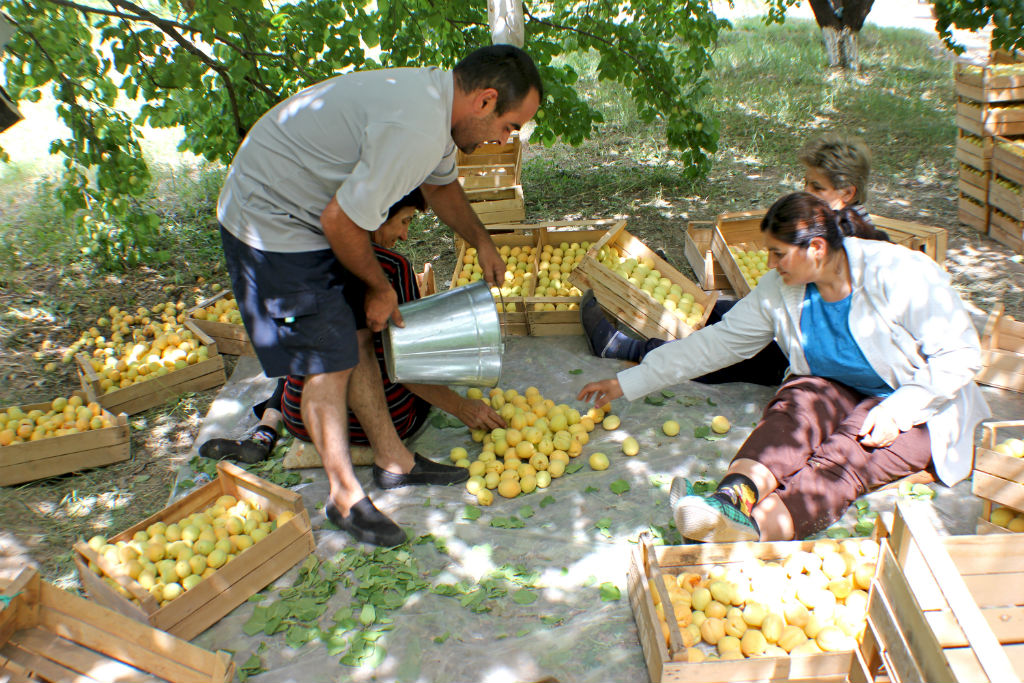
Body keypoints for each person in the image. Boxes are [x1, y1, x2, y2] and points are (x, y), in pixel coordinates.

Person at [216, 45, 542, 547]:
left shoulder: (437, 112)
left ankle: (394, 462)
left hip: (313, 213)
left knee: (357, 340)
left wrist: (482, 240)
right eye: (510, 126)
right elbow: (340, 221)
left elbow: (442, 190)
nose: (506, 140)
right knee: (330, 358)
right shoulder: (416, 128)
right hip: (270, 221)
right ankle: (343, 497)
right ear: (485, 101)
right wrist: (379, 286)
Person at [578, 192, 990, 542]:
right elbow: (716, 344)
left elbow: (961, 354)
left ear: (815, 249)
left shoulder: (898, 273)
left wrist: (899, 410)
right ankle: (727, 502)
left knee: (846, 455)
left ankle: (751, 531)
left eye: (778, 253)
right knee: (794, 407)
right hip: (836, 390)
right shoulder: (781, 289)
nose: (772, 263)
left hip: (916, 405)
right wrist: (628, 380)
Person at [201, 189, 505, 464]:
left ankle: (266, 430)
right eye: (404, 222)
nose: (404, 236)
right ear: (375, 217)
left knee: (304, 358)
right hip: (384, 422)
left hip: (304, 421)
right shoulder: (392, 268)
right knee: (423, 369)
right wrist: (462, 408)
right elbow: (409, 368)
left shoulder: (300, 260)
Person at [580, 133, 887, 387]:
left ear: (847, 193)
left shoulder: (864, 250)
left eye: (817, 187)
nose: (805, 192)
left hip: (811, 356)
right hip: (794, 327)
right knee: (723, 312)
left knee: (736, 357)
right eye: (805, 183)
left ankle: (630, 349)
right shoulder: (815, 233)